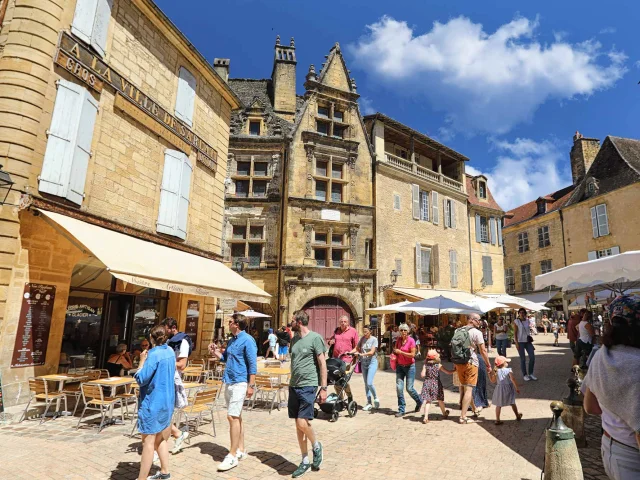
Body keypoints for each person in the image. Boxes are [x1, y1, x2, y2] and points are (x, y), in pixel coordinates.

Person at [582, 295, 640, 479]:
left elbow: (590, 407)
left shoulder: (601, 355)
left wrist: (614, 408)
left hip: (610, 447)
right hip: (633, 455)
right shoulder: (636, 363)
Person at [208, 313, 257, 472]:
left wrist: (251, 385)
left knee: (232, 416)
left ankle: (232, 455)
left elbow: (252, 364)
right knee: (237, 417)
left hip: (240, 382)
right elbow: (225, 359)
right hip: (229, 381)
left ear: (237, 324)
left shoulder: (248, 340)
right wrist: (215, 352)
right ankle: (241, 449)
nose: (228, 324)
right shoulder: (231, 341)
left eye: (230, 322)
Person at [288, 310, 328, 478]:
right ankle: (304, 460)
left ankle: (316, 446)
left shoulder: (315, 338)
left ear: (299, 321)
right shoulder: (295, 339)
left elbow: (322, 364)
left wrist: (324, 388)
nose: (290, 322)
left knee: (301, 422)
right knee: (298, 425)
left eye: (292, 320)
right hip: (294, 385)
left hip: (308, 385)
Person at [134, 325, 176, 480]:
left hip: (153, 402)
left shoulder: (153, 354)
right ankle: (165, 472)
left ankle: (141, 478)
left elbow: (141, 378)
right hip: (167, 400)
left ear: (152, 338)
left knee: (148, 442)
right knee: (160, 439)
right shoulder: (170, 351)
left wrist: (141, 362)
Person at [452, 314, 491, 424]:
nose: (480, 322)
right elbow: (483, 351)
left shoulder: (457, 330)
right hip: (471, 362)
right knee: (469, 389)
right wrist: (488, 365)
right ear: (473, 320)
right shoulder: (476, 332)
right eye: (478, 320)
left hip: (459, 362)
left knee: (465, 387)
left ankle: (474, 408)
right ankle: (463, 416)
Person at [163, 318, 192, 454]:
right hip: (165, 379)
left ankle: (174, 436)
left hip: (173, 381)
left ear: (173, 327)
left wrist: (164, 361)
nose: (164, 331)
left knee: (164, 413)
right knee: (163, 413)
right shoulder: (169, 341)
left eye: (166, 328)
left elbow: (182, 365)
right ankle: (176, 435)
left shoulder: (183, 342)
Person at [393, 323, 422, 417]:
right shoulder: (398, 340)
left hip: (410, 367)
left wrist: (401, 352)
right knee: (399, 388)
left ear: (408, 331)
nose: (403, 332)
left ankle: (419, 401)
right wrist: (395, 353)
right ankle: (401, 409)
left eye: (405, 330)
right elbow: (396, 350)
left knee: (409, 388)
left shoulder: (411, 340)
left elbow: (413, 355)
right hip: (400, 366)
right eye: (401, 330)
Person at [328, 315, 358, 402]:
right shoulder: (336, 331)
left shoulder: (353, 331)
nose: (343, 323)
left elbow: (357, 347)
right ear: (339, 322)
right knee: (336, 379)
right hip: (336, 359)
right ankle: (340, 398)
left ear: (348, 322)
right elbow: (330, 341)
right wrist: (330, 342)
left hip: (347, 359)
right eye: (341, 322)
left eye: (345, 322)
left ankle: (349, 396)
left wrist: (351, 353)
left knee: (342, 379)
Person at [349, 324, 379, 411]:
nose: (364, 333)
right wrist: (349, 352)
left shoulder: (374, 339)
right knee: (366, 384)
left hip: (372, 362)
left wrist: (362, 354)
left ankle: (376, 398)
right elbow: (357, 348)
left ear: (370, 331)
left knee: (369, 383)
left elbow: (372, 352)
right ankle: (369, 403)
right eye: (364, 331)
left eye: (366, 331)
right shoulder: (362, 339)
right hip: (363, 363)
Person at [419, 349, 452, 423]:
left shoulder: (425, 365)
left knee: (428, 401)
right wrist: (454, 371)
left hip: (427, 383)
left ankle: (425, 417)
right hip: (436, 383)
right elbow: (448, 372)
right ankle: (444, 413)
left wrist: (424, 372)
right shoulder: (438, 365)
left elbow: (422, 375)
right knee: (440, 400)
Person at [488, 356, 522, 425]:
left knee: (498, 405)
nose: (507, 363)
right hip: (508, 388)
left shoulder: (496, 371)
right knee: (512, 402)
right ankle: (517, 415)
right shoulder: (508, 370)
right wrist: (517, 388)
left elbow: (492, 381)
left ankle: (497, 419)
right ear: (503, 363)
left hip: (499, 389)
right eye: (506, 362)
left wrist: (489, 374)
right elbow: (513, 379)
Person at [514, 308, 537, 381]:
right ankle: (525, 374)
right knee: (523, 359)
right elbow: (515, 333)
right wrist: (516, 343)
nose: (522, 313)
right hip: (520, 342)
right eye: (520, 312)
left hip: (527, 341)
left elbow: (529, 330)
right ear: (518, 313)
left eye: (523, 312)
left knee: (532, 357)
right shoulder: (516, 321)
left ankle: (531, 373)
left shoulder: (527, 321)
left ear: (525, 313)